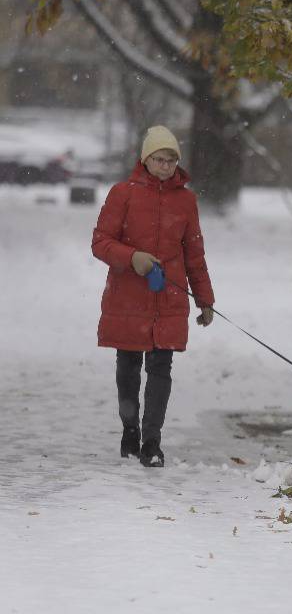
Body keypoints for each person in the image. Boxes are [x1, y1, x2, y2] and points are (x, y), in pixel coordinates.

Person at [92, 125, 215, 468]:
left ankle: (152, 442)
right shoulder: (123, 194)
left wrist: (205, 299)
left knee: (161, 368)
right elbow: (100, 242)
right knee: (128, 369)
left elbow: (194, 255)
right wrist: (132, 257)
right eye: (158, 159)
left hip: (168, 298)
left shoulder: (186, 201)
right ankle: (130, 430)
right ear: (145, 160)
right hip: (128, 296)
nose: (164, 166)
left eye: (170, 160)